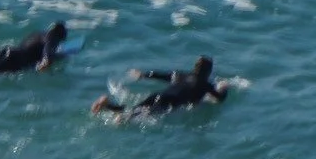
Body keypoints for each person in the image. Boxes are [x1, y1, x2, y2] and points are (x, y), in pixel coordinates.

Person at [92, 55, 227, 118]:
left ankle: (107, 105)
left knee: (133, 111)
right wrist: (224, 88)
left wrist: (143, 75)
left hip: (158, 95)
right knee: (132, 115)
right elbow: (219, 99)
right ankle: (108, 106)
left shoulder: (180, 75)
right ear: (208, 72)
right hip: (169, 102)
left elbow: (162, 75)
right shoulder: (206, 85)